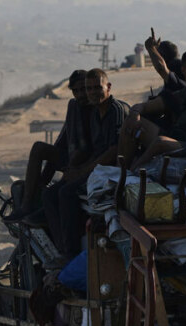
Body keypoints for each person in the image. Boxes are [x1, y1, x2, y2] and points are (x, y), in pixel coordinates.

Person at [43, 68, 129, 259]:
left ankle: (70, 253)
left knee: (67, 193)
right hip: (96, 169)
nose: (92, 93)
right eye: (88, 89)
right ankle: (60, 247)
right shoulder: (95, 113)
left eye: (96, 88)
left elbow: (113, 151)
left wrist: (84, 170)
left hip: (111, 172)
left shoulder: (115, 110)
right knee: (50, 194)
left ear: (108, 87)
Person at [15, 70, 89, 219]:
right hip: (72, 157)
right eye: (76, 91)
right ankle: (27, 204)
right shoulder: (74, 106)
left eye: (84, 89)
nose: (81, 94)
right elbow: (62, 141)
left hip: (88, 163)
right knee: (39, 148)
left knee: (57, 193)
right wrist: (43, 180)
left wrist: (76, 169)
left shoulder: (97, 106)